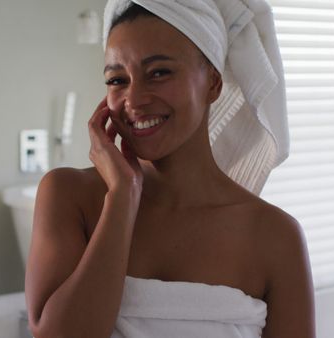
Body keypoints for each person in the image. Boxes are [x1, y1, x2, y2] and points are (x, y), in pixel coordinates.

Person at [25, 1, 315, 337]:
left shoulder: (275, 236)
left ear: (213, 83)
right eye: (117, 79)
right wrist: (121, 198)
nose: (133, 100)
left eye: (159, 72)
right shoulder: (69, 195)